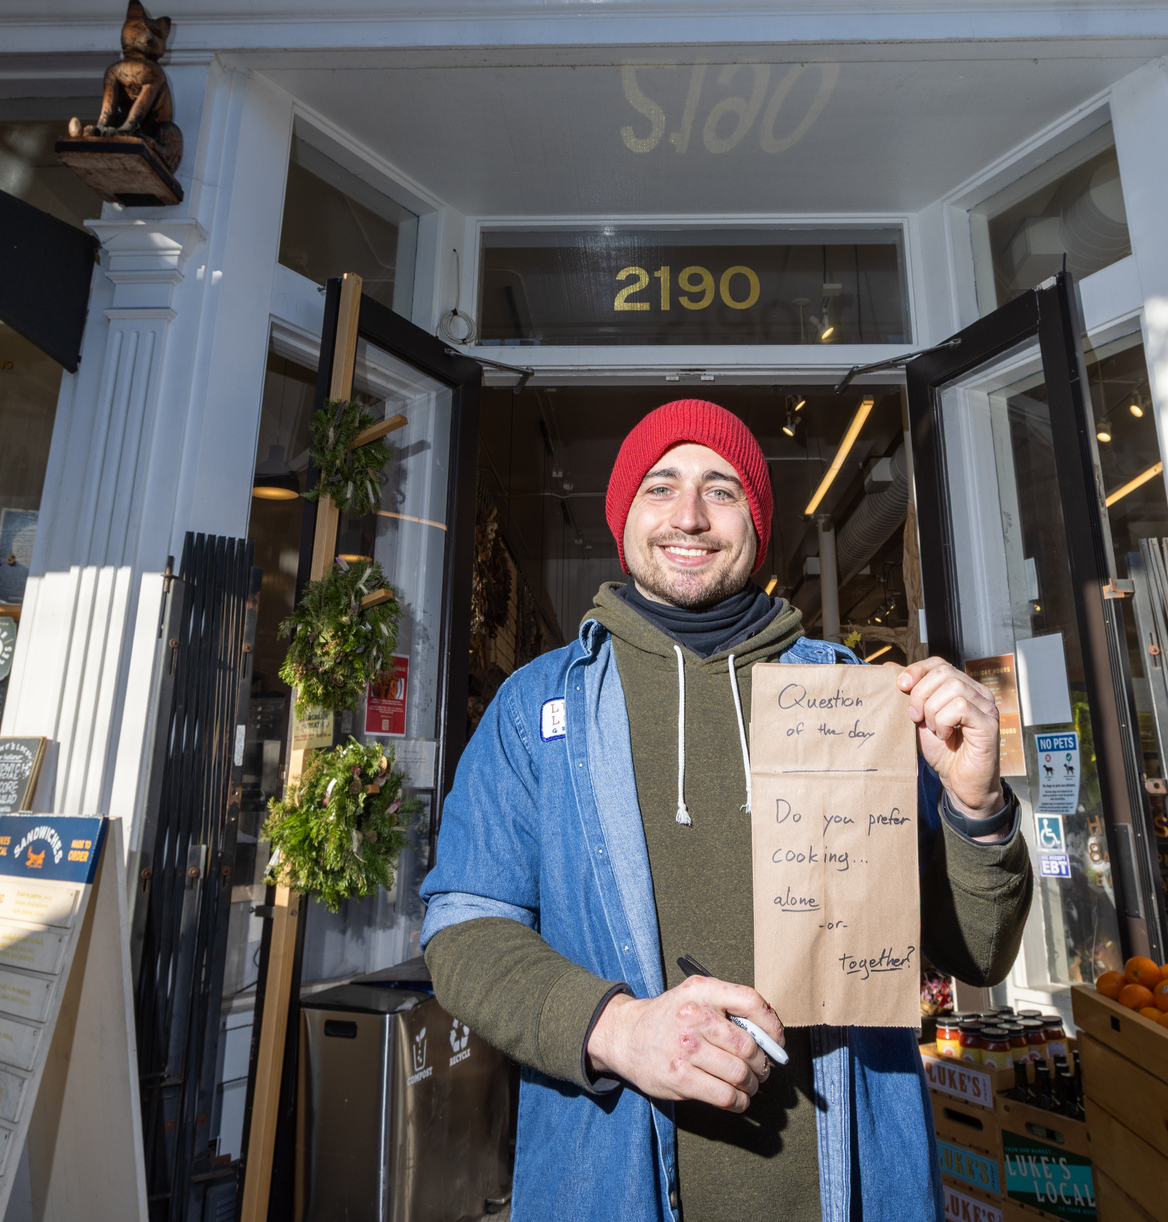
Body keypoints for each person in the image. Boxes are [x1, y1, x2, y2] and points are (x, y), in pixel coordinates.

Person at [422, 399, 1031, 1222]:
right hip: (612, 1191)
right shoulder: (536, 707)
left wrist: (976, 802)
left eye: (723, 490)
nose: (690, 516)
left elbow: (978, 953)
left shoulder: (851, 699)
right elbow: (464, 930)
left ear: (756, 519)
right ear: (624, 516)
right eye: (660, 486)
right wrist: (617, 1029)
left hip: (848, 1193)